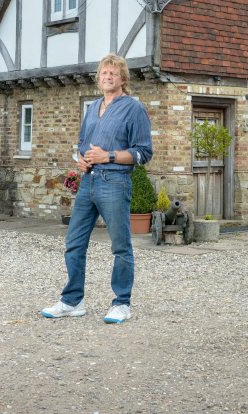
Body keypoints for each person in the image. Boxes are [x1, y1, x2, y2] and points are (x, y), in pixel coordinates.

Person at [41, 54, 153, 324]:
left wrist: (109, 157)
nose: (107, 77)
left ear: (123, 79)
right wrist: (79, 159)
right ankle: (72, 301)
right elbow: (83, 142)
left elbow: (144, 153)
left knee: (120, 246)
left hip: (115, 182)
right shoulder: (92, 107)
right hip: (88, 181)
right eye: (104, 73)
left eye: (113, 73)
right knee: (74, 243)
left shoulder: (133, 109)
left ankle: (121, 302)